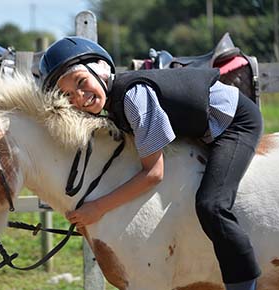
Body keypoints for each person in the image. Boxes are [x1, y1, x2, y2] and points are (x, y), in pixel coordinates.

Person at [39, 36, 263, 290]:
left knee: (211, 205)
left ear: (100, 70)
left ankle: (245, 284)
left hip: (234, 122)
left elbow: (154, 173)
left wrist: (97, 208)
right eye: (68, 94)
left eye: (82, 82)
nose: (79, 97)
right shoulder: (114, 104)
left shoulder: (133, 98)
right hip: (201, 125)